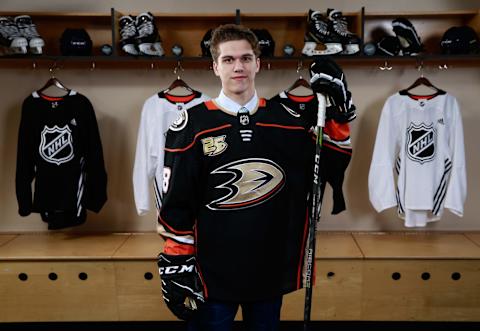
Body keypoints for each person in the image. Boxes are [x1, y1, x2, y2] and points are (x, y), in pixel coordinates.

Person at [157, 24, 315, 331]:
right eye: (228, 60)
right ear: (215, 66)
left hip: (268, 265)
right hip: (211, 270)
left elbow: (324, 172)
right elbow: (176, 201)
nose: (238, 66)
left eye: (245, 58)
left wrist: (338, 117)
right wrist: (176, 256)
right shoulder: (191, 125)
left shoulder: (289, 122)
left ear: (258, 63)